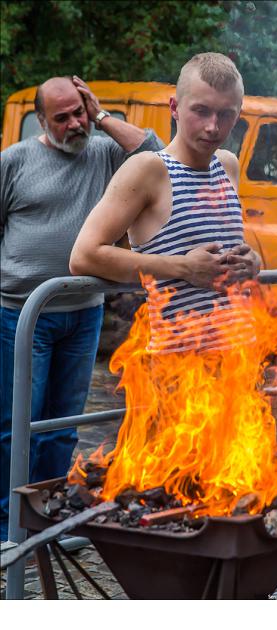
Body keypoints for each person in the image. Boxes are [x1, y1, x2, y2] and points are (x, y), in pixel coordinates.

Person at [0, 75, 164, 541]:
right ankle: (7, 524)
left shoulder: (104, 151)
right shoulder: (14, 162)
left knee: (63, 424)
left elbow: (154, 151)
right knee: (17, 424)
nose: (75, 124)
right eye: (63, 117)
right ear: (40, 120)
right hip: (21, 314)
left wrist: (104, 116)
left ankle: (49, 518)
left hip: (84, 311)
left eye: (80, 112)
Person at [70, 53, 260, 355]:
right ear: (175, 107)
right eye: (201, 110)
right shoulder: (148, 170)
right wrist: (183, 267)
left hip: (240, 359)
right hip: (180, 370)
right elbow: (84, 256)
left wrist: (253, 261)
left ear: (239, 114)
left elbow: (226, 246)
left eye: (225, 114)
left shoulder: (228, 165)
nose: (213, 126)